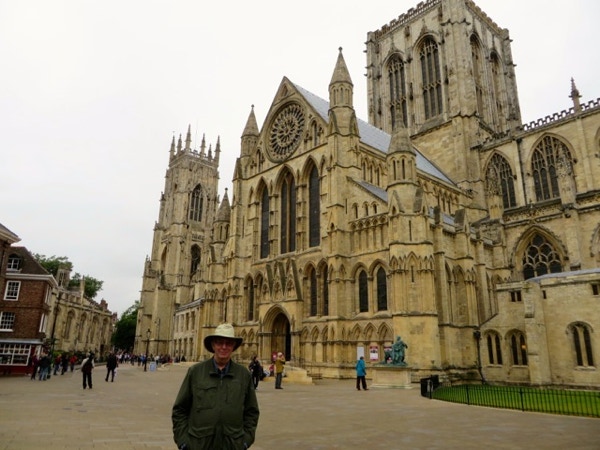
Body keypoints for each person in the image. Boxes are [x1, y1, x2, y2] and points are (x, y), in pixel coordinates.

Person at [172, 323, 259, 450]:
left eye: (228, 343)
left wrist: (245, 441)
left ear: (233, 346)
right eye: (219, 342)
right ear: (213, 345)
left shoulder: (243, 374)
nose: (224, 347)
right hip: (199, 445)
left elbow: (252, 411)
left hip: (232, 445)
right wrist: (183, 442)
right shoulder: (195, 372)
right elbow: (179, 409)